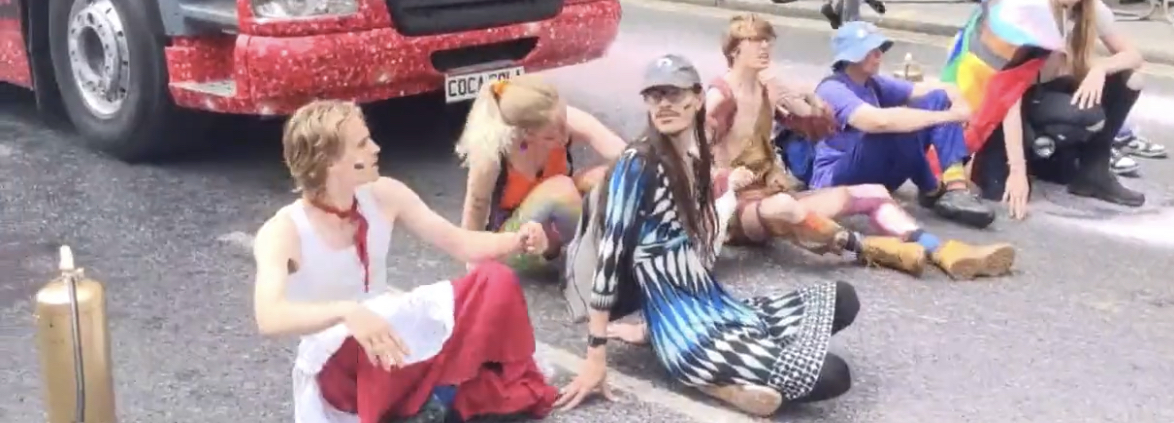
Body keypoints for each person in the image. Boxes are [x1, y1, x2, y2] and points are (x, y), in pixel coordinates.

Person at [555, 54, 861, 417]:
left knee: (843, 298)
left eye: (673, 94)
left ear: (698, 98)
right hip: (683, 327)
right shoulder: (637, 163)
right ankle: (710, 374)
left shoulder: (694, 155)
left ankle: (737, 364)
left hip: (716, 305)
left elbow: (703, 241)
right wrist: (595, 354)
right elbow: (610, 253)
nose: (664, 104)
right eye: (654, 96)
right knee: (833, 374)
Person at [253, 100, 557, 423]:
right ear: (330, 162)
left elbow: (462, 244)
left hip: (391, 330)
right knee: (362, 341)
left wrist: (518, 239)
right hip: (341, 362)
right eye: (362, 143)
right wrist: (348, 313)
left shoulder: (383, 194)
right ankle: (430, 400)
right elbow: (269, 317)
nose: (376, 148)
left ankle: (437, 398)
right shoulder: (284, 230)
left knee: (496, 280)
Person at [704, 13, 927, 276]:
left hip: (773, 194)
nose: (764, 47)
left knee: (873, 192)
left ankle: (932, 248)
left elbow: (809, 114)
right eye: (754, 40)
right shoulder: (720, 96)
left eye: (767, 40)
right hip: (736, 208)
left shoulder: (768, 88)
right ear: (734, 50)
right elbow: (690, 158)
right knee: (784, 207)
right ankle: (867, 248)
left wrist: (815, 106)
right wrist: (726, 179)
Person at [961, 0, 1148, 219]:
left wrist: (1100, 68)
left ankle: (1092, 171)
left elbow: (1133, 55)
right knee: (995, 189)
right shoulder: (1030, 11)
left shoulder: (1090, 5)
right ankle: (1029, 155)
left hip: (1041, 92)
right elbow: (1008, 94)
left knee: (1131, 79)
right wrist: (1017, 170)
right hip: (999, 103)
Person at [809, 21, 1006, 234]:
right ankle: (931, 188)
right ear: (852, 57)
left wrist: (955, 97)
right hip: (837, 179)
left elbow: (933, 91)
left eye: (879, 50)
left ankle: (956, 189)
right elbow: (876, 121)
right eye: (871, 51)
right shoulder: (832, 89)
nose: (879, 56)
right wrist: (947, 117)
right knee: (898, 124)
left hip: (875, 172)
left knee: (937, 100)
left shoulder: (873, 83)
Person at [456, 75, 627, 273]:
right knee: (560, 189)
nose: (564, 138)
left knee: (606, 175)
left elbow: (626, 154)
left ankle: (622, 243)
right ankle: (600, 256)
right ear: (527, 134)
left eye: (565, 126)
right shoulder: (493, 153)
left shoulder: (555, 117)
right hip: (518, 238)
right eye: (551, 136)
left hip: (554, 223)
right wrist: (473, 262)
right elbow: (476, 205)